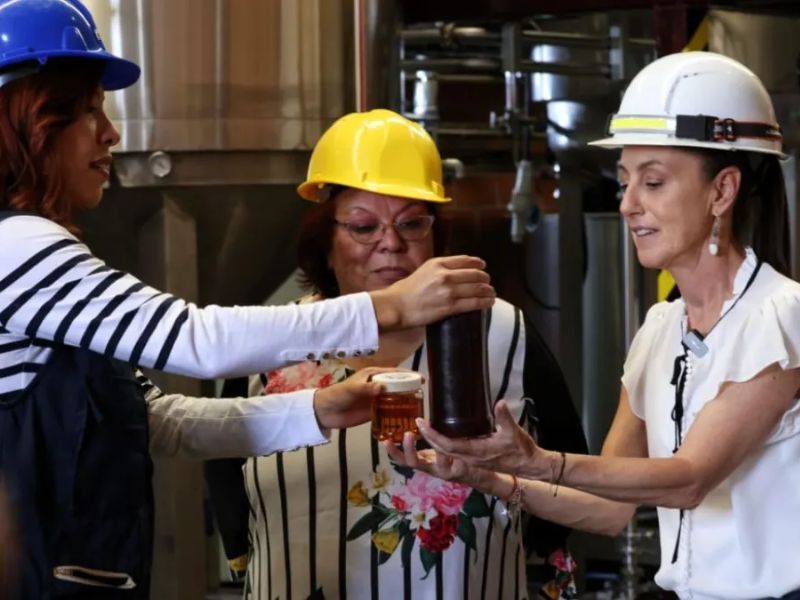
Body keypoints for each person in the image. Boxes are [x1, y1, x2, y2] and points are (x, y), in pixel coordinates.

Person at [0, 1, 495, 598]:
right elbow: (195, 341)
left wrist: (319, 410)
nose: (112, 133)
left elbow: (158, 420)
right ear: (31, 120)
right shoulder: (17, 245)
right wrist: (391, 306)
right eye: (87, 111)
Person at [388, 51, 800, 600]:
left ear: (722, 191)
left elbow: (689, 477)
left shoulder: (779, 316)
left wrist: (539, 460)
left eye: (652, 183)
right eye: (624, 181)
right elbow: (608, 508)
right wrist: (484, 478)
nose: (627, 204)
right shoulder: (661, 327)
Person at [205, 109, 588, 600]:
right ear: (326, 244)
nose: (390, 242)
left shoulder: (500, 332)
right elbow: (221, 467)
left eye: (411, 223)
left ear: (434, 238)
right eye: (363, 227)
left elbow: (569, 463)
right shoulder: (273, 340)